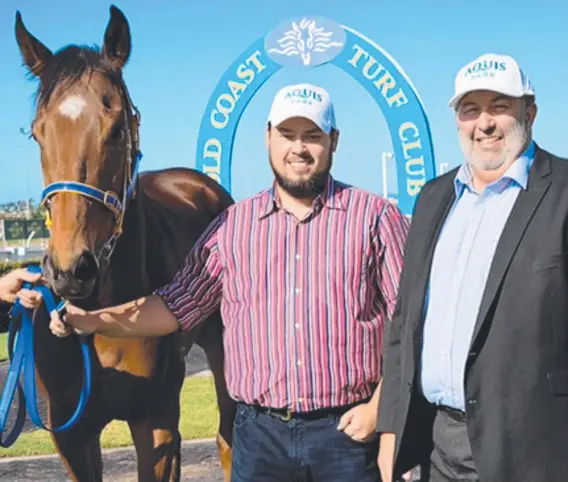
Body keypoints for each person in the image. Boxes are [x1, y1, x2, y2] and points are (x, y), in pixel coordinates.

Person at [51, 83, 410, 481]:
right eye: (287, 135)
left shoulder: (375, 218)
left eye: (313, 136)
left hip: (345, 436)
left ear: (334, 141)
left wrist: (380, 409)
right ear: (268, 138)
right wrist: (95, 320)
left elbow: (413, 325)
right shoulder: (232, 226)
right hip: (260, 442)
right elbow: (174, 306)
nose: (299, 148)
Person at [376, 52, 568, 482]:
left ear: (530, 112)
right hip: (437, 446)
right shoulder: (433, 199)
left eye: (500, 106)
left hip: (535, 448)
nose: (484, 123)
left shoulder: (563, 193)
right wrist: (391, 431)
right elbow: (404, 322)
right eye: (470, 109)